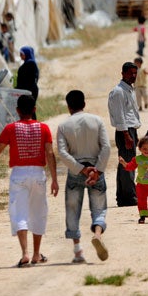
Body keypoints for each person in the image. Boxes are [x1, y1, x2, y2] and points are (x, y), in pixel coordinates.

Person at [0, 95, 59, 268]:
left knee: (20, 213)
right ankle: (36, 254)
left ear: (17, 110)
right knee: (38, 212)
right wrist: (54, 179)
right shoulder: (44, 128)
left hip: (19, 174)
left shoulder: (11, 128)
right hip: (38, 173)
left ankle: (24, 253)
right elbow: (50, 154)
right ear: (34, 109)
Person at [56, 90, 110, 264]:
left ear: (68, 106)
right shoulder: (97, 121)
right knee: (99, 209)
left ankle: (78, 251)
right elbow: (106, 148)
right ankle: (97, 234)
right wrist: (97, 171)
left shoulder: (64, 126)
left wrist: (81, 169)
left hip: (75, 172)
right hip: (96, 169)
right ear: (84, 104)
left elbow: (63, 153)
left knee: (72, 209)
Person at [108, 61, 141, 207]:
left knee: (125, 164)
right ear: (123, 74)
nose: (133, 76)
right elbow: (120, 115)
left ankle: (123, 198)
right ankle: (129, 197)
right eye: (130, 73)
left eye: (135, 73)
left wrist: (134, 133)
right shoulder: (119, 92)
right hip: (124, 131)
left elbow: (131, 113)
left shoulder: (129, 90)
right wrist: (127, 135)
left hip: (130, 130)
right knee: (128, 164)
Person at [17, 46, 39, 121]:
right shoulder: (29, 63)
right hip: (29, 89)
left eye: (21, 54)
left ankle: (34, 123)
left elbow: (29, 79)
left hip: (30, 90)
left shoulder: (30, 64)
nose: (20, 56)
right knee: (29, 109)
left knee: (30, 109)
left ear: (26, 54)